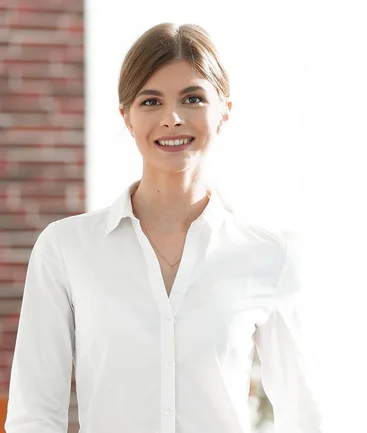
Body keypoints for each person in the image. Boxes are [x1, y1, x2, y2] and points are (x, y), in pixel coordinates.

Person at [5, 22, 322, 433]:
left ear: (224, 111)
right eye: (150, 101)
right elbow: (34, 414)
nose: (171, 118)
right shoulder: (65, 249)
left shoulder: (268, 256)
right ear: (127, 117)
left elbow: (305, 416)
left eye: (192, 98)